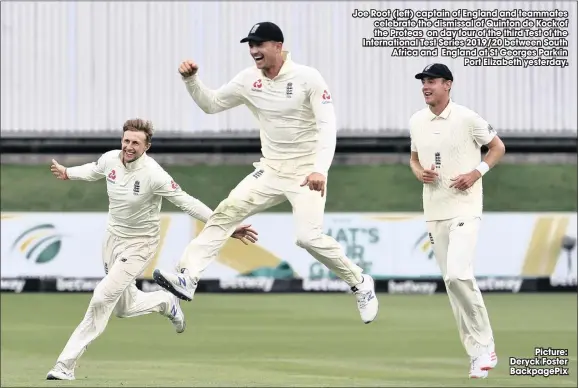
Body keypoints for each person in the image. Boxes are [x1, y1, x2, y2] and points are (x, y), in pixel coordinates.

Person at [152, 21, 379, 323]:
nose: (254, 51)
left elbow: (327, 127)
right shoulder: (249, 80)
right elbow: (212, 104)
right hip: (270, 170)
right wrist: (192, 80)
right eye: (251, 45)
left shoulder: (307, 78)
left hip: (305, 173)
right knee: (225, 213)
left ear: (278, 46)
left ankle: (360, 283)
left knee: (308, 238)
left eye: (259, 45)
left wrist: (319, 169)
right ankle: (187, 277)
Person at [45, 119, 258, 381]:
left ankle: (64, 365)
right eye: (126, 140)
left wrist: (225, 227)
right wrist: (68, 173)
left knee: (102, 297)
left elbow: (186, 202)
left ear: (147, 146)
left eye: (136, 142)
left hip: (140, 244)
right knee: (123, 307)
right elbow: (93, 170)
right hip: (112, 240)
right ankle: (165, 301)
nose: (129, 146)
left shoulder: (154, 174)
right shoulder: (111, 159)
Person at [408, 64, 506, 379]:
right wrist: (419, 172)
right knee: (452, 285)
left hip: (465, 208)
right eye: (423, 81)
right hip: (434, 210)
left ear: (448, 85)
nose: (426, 86)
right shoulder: (416, 121)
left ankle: (486, 345)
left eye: (432, 81)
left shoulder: (467, 118)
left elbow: (497, 148)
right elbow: (413, 158)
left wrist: (476, 172)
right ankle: (477, 354)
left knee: (457, 273)